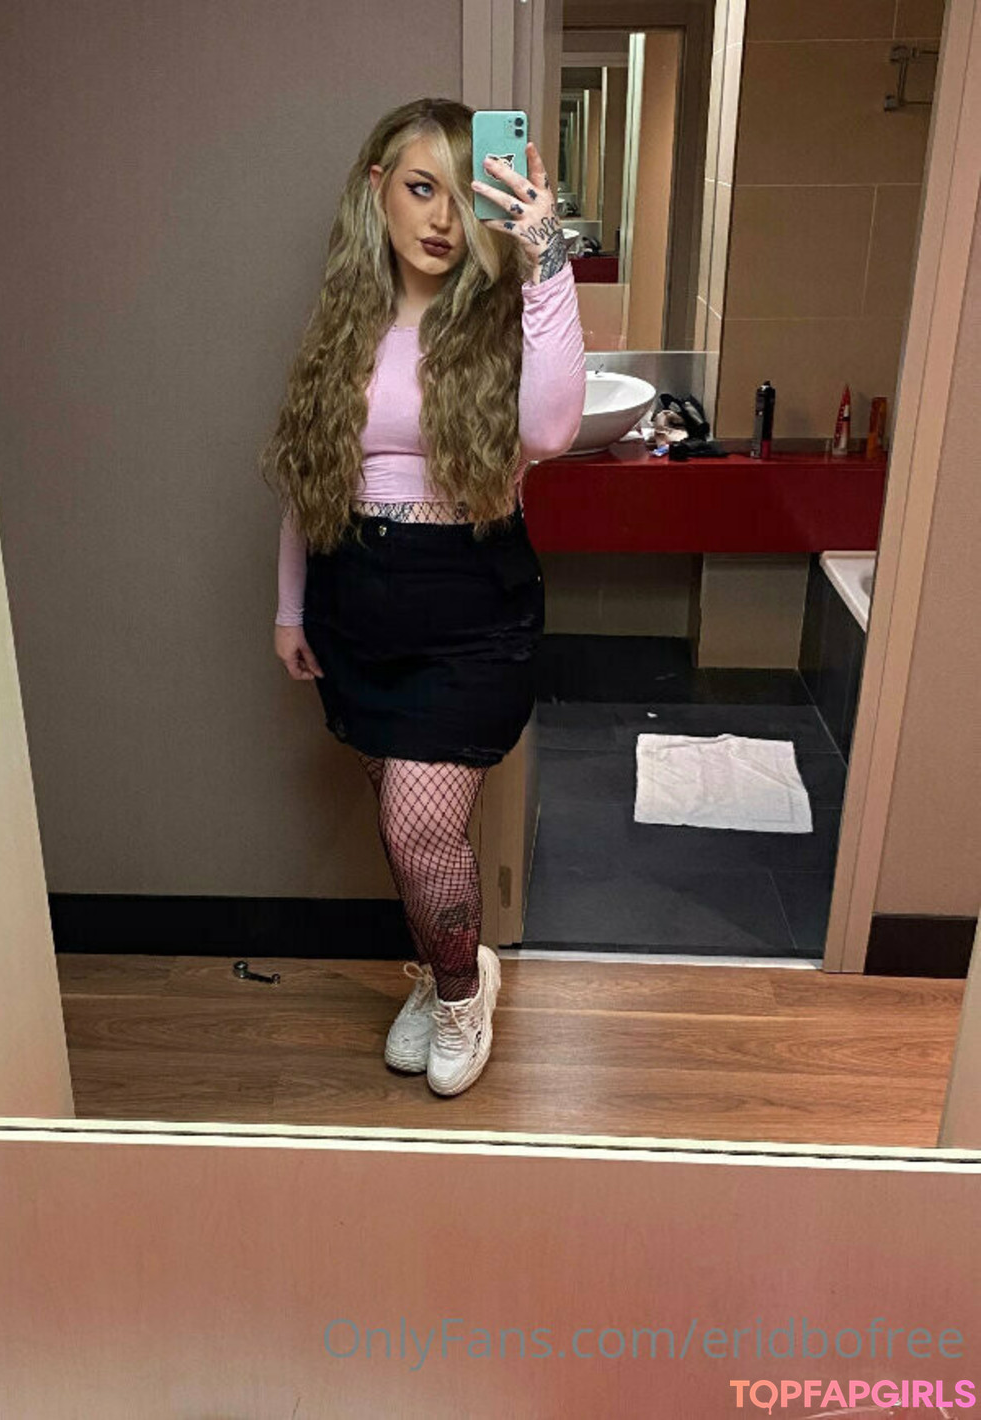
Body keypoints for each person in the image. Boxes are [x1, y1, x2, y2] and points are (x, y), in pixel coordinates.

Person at [259, 97, 584, 1098]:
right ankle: (446, 964)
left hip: (469, 608)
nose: (441, 217)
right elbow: (312, 478)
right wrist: (290, 606)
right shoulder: (344, 324)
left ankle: (459, 994)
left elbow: (554, 430)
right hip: (353, 603)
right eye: (419, 186)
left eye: (459, 192)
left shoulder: (502, 320)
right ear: (379, 193)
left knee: (417, 830)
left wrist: (547, 254)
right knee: (408, 838)